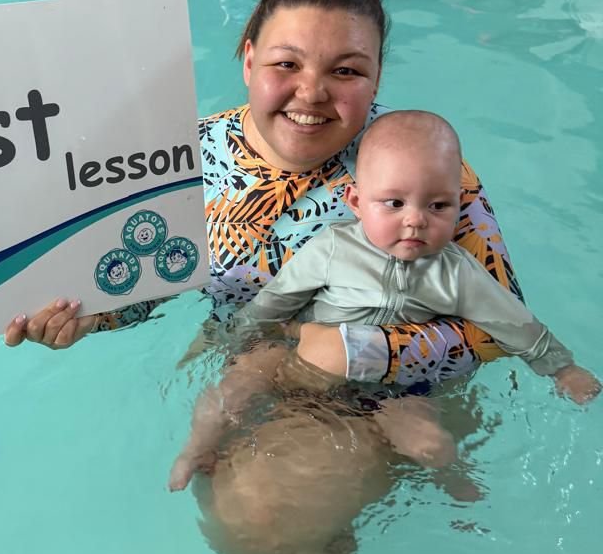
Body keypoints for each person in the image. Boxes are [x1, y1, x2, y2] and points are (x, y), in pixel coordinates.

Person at [3, 0, 531, 554]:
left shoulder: (416, 166)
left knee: (258, 519)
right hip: (252, 357)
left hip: (380, 391)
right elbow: (153, 273)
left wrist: (348, 356)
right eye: (287, 64)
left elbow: (494, 327)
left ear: (377, 78)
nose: (312, 94)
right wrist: (89, 319)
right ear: (248, 58)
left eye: (347, 71)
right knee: (210, 485)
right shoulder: (192, 155)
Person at [170, 110, 600, 491]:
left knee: (430, 442)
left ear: (459, 205)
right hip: (302, 356)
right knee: (241, 379)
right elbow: (276, 300)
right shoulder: (333, 248)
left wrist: (562, 368)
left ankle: (453, 480)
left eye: (438, 205)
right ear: (357, 202)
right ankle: (199, 447)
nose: (415, 219)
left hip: (391, 389)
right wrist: (235, 338)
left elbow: (513, 322)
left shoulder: (457, 272)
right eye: (394, 203)